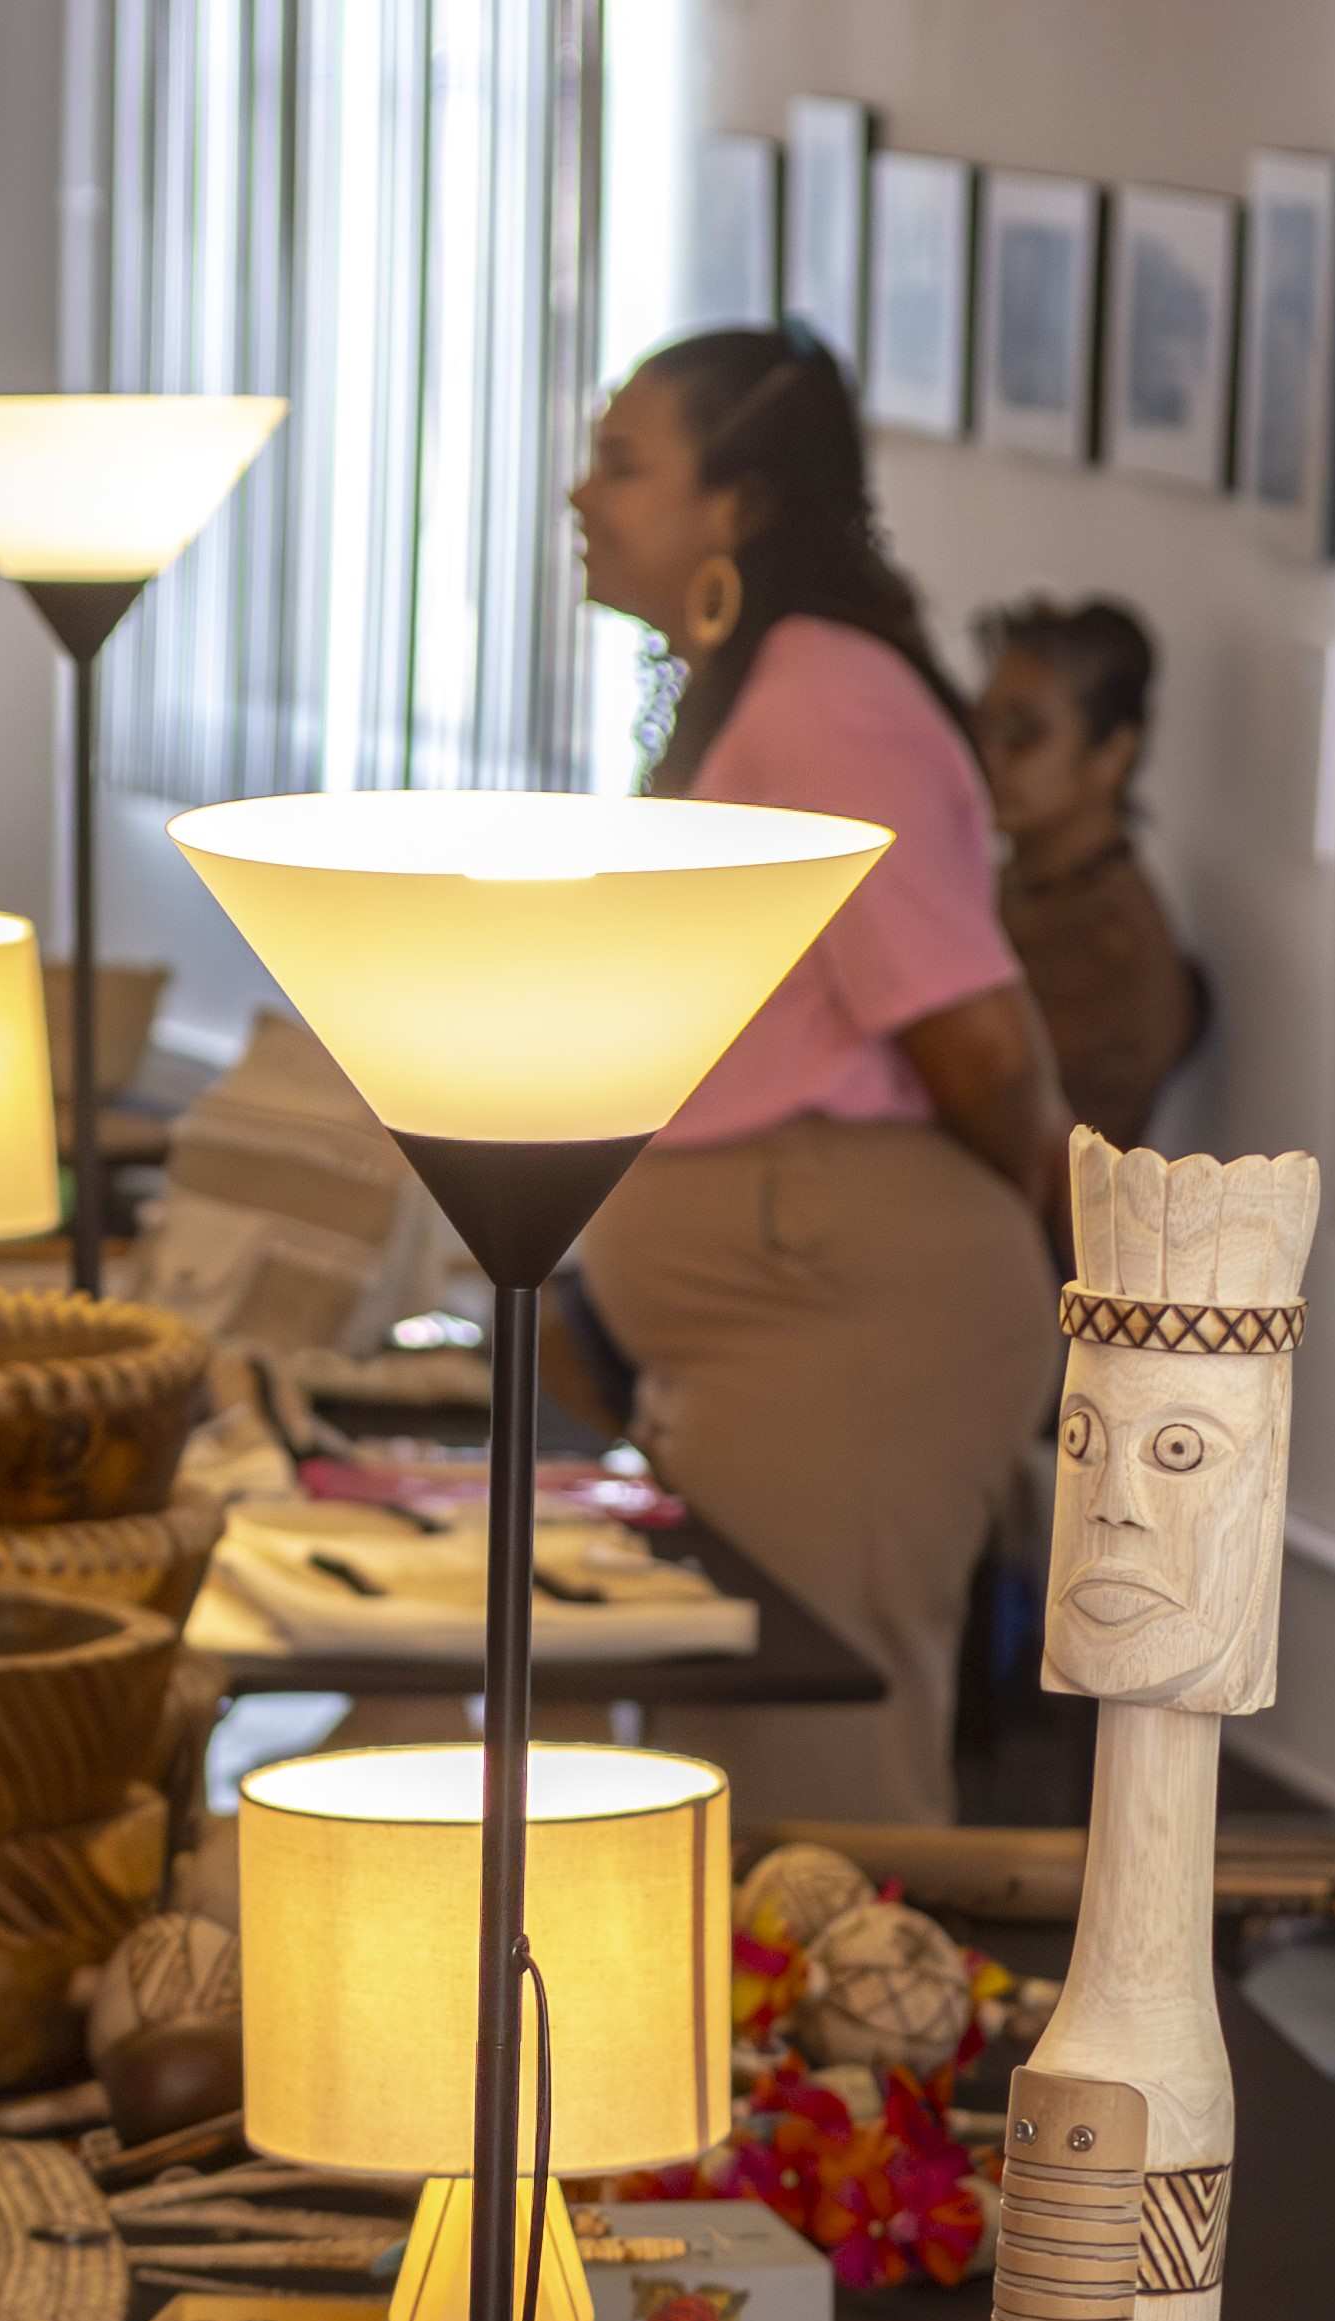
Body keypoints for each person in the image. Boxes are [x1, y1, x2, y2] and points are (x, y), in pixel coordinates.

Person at [559, 324, 1065, 1817]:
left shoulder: (826, 701)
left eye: (622, 463)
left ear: (738, 507)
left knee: (809, 1795)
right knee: (728, 1778)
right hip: (768, 1310)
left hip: (844, 1310)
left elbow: (974, 1044)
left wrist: (1021, 1244)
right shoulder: (760, 684)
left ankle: (838, 2063)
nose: (582, 496)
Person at [969, 592, 1204, 1135]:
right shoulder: (1028, 880)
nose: (991, 758)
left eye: (1025, 734)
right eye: (986, 727)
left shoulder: (1109, 946)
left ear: (1113, 756)